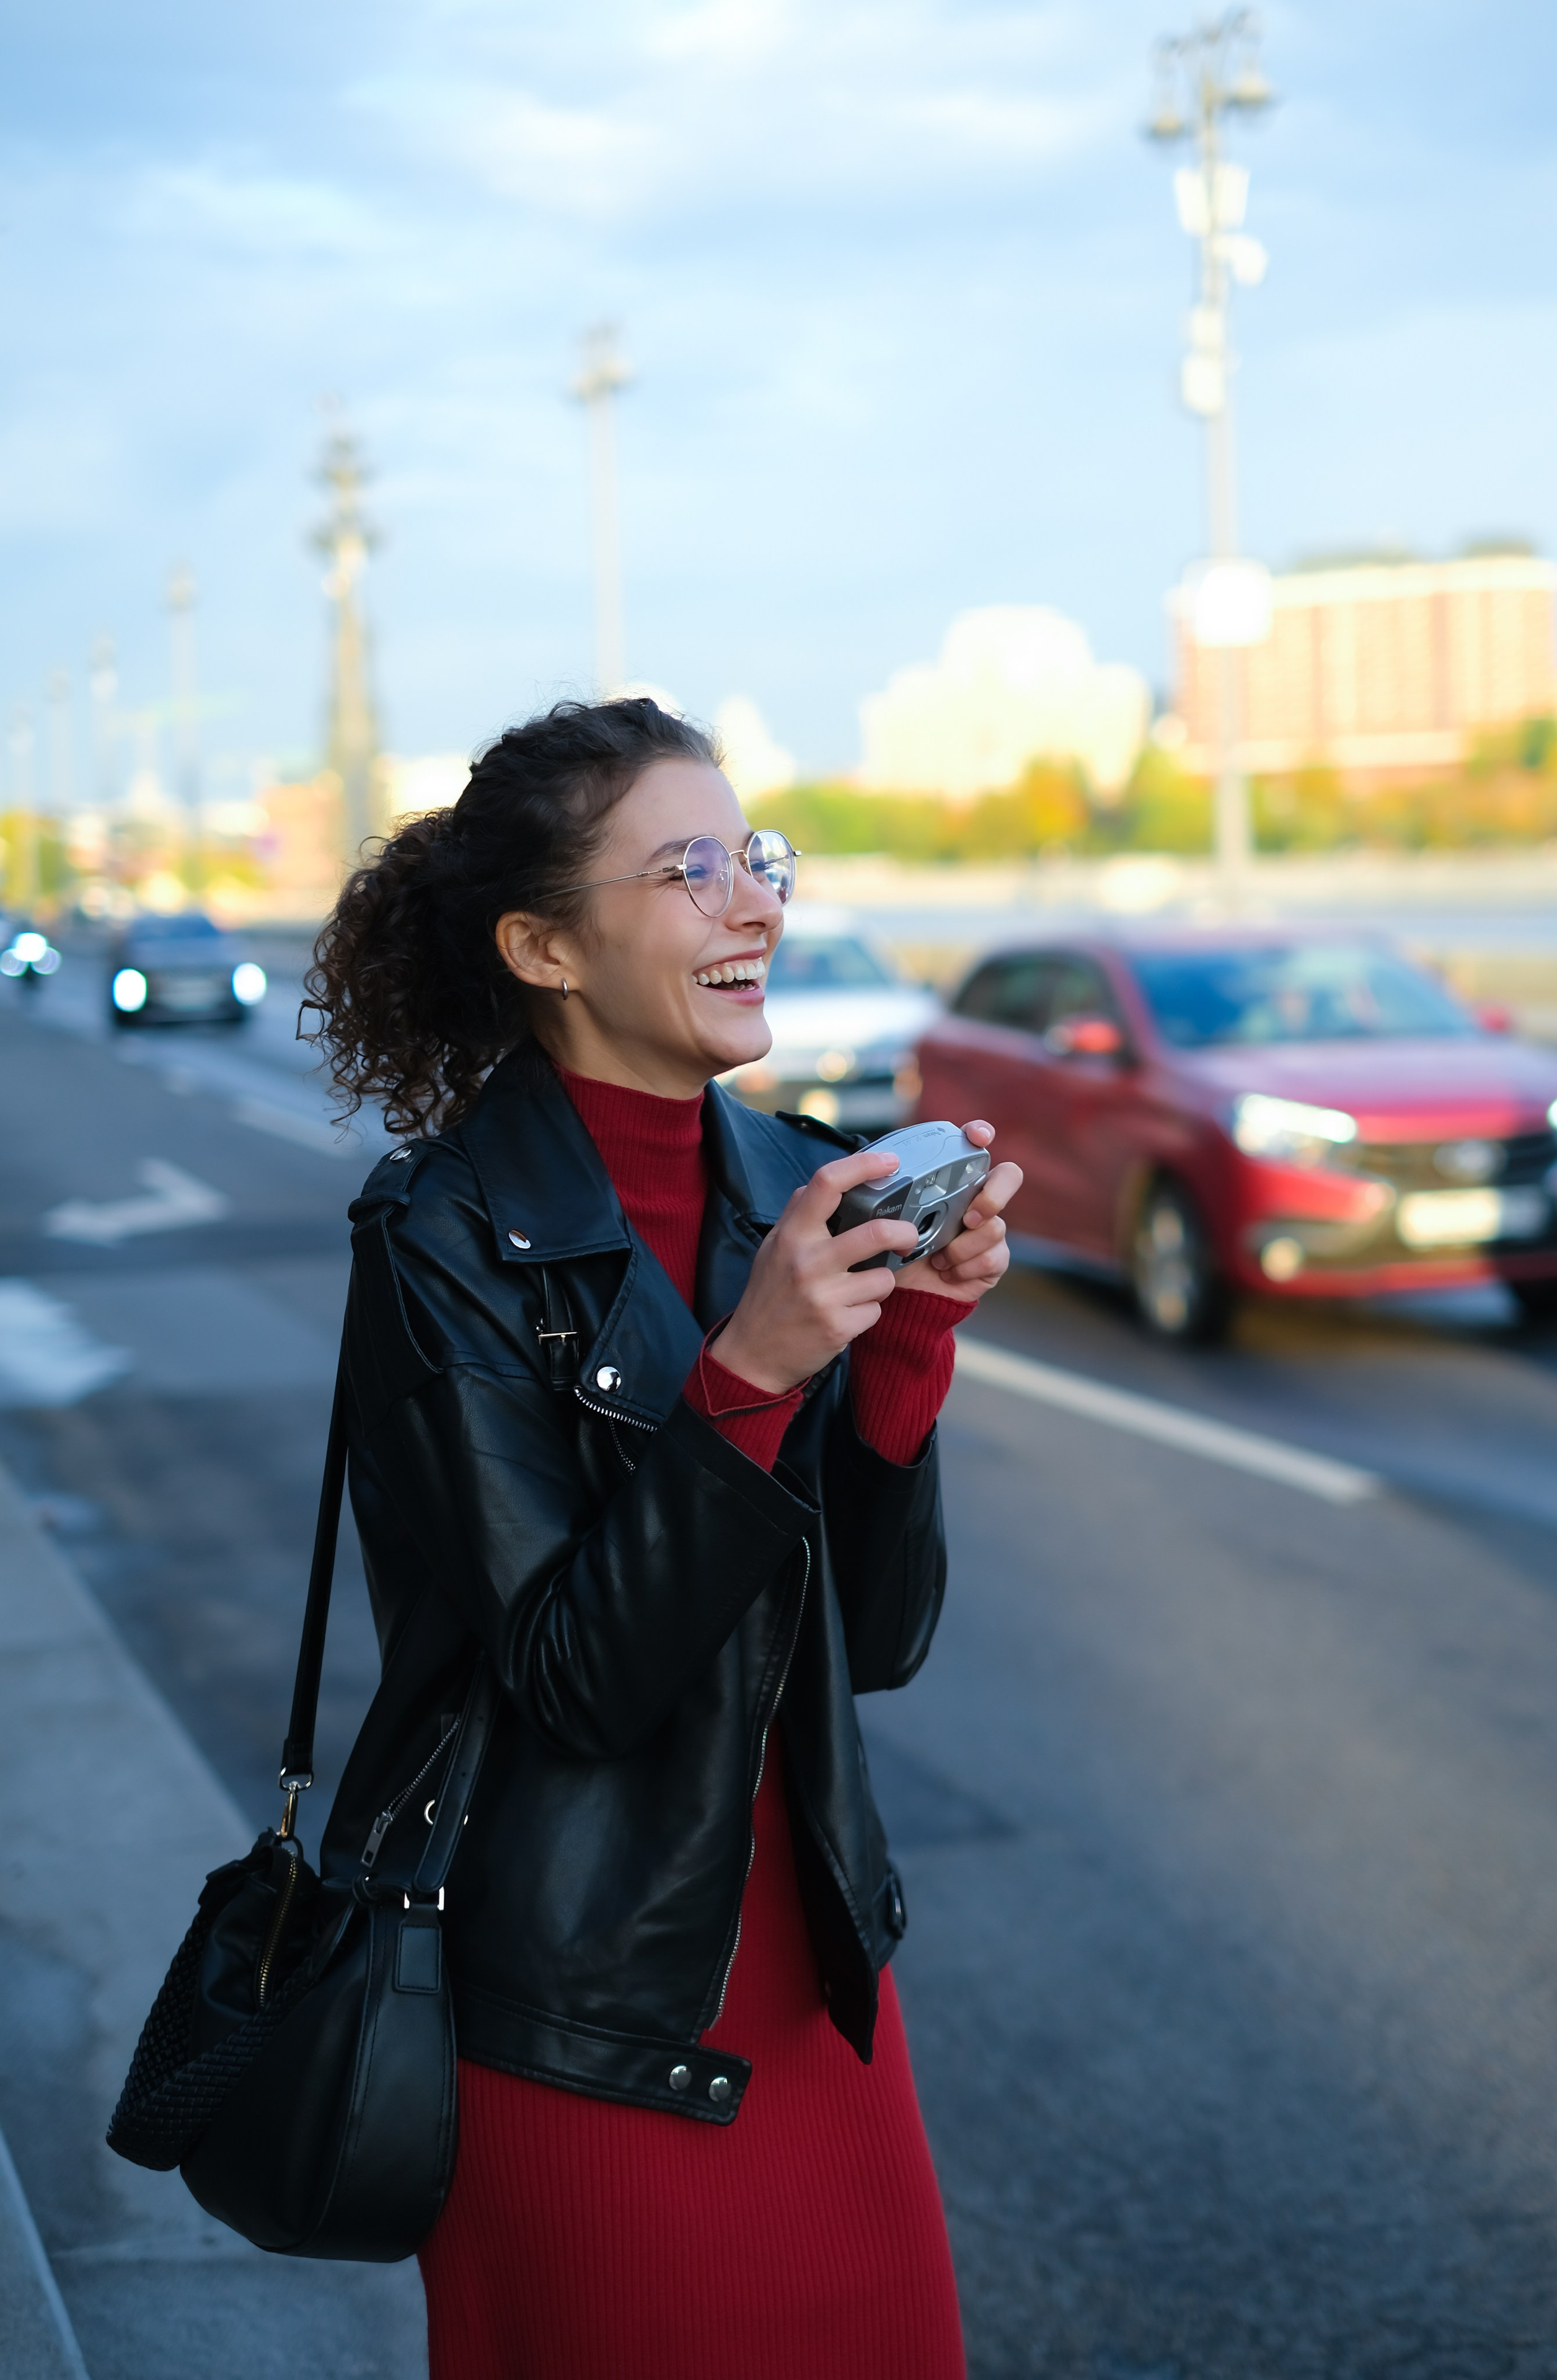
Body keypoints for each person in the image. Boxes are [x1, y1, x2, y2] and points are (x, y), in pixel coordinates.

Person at [307, 698, 1022, 2380]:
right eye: (690, 871)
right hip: (578, 2022)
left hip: (818, 1985)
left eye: (754, 861)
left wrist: (910, 1339)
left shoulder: (796, 1179)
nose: (756, 907)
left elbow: (882, 1640)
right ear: (546, 944)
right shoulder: (439, 1240)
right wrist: (758, 1366)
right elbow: (572, 1683)